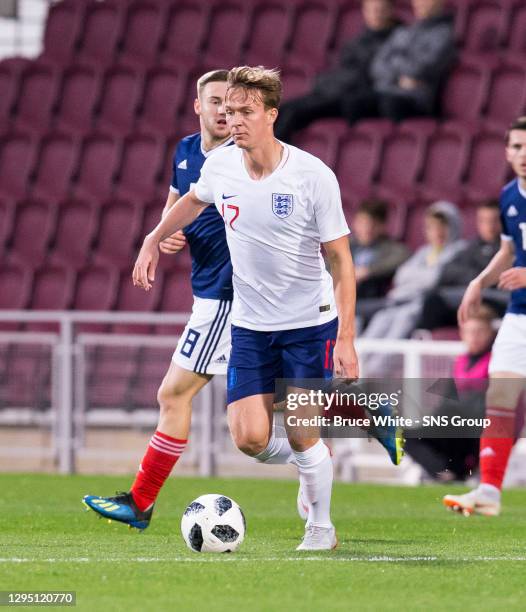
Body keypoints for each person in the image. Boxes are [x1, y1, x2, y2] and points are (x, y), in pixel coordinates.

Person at [132, 65, 363, 551]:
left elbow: (340, 260)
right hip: (251, 325)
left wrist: (345, 337)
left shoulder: (311, 175)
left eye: (245, 112)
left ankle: (320, 527)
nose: (233, 121)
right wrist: (153, 239)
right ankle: (314, 464)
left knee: (301, 430)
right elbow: (192, 202)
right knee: (250, 439)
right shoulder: (219, 166)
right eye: (229, 111)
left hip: (308, 322)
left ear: (271, 115)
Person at [82, 70, 297, 531]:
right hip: (210, 290)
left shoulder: (240, 157)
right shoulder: (184, 151)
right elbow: (178, 200)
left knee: (175, 394)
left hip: (226, 294)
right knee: (269, 404)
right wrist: (164, 232)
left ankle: (140, 503)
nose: (224, 110)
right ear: (198, 106)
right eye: (215, 101)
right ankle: (358, 411)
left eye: (231, 103)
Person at [443, 117, 526, 516]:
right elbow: (509, 251)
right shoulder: (510, 196)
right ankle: (490, 490)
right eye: (516, 147)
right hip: (519, 313)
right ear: (507, 151)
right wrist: (480, 281)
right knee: (500, 396)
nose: (523, 155)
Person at [361, 201, 465, 375]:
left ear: (453, 227)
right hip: (402, 301)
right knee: (381, 318)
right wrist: (421, 278)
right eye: (432, 227)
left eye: (443, 227)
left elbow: (433, 279)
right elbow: (401, 275)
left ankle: (374, 371)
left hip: (424, 306)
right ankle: (356, 366)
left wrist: (416, 279)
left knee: (404, 318)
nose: (438, 233)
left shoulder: (459, 250)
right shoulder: (424, 251)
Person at [275, 0, 399, 142]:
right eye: (371, 9)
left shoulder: (398, 39)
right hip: (335, 90)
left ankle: (274, 161)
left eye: (380, 9)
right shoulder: (359, 40)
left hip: (352, 96)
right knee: (280, 110)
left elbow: (367, 75)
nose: (376, 14)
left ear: (390, 10)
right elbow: (342, 70)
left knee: (293, 113)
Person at [406, 306, 496, 482]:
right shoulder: (460, 362)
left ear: (489, 333)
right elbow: (447, 399)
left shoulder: (494, 363)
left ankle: (456, 471)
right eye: (470, 332)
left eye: (479, 332)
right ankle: (443, 473)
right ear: (462, 333)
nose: (474, 337)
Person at [342, 0, 455, 124]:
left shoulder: (445, 34)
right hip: (386, 90)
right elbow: (377, 66)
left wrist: (394, 61)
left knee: (390, 105)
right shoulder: (403, 31)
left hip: (415, 98)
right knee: (353, 103)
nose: (419, 4)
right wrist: (399, 78)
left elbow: (420, 68)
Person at [418, 200, 505, 330]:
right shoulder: (471, 247)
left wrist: (482, 278)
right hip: (470, 295)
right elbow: (446, 272)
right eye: (483, 221)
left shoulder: (510, 247)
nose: (489, 226)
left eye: (494, 220)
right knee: (433, 300)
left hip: (498, 299)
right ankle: (424, 343)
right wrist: (478, 276)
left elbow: (501, 279)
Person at [347, 199, 410, 329]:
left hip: (373, 302)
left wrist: (367, 271)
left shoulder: (393, 248)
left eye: (372, 224)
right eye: (362, 223)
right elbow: (327, 267)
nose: (366, 229)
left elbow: (401, 257)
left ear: (382, 226)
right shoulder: (347, 246)